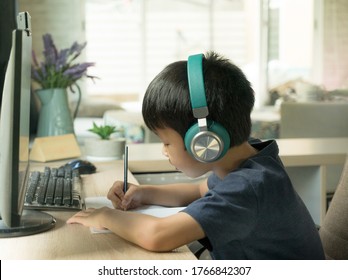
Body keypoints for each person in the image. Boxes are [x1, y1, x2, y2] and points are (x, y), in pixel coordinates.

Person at [67, 52, 325, 260]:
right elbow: (202, 189)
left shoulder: (247, 188)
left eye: (167, 141)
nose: (164, 150)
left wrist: (106, 216)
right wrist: (145, 192)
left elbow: (158, 236)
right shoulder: (255, 158)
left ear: (205, 141)